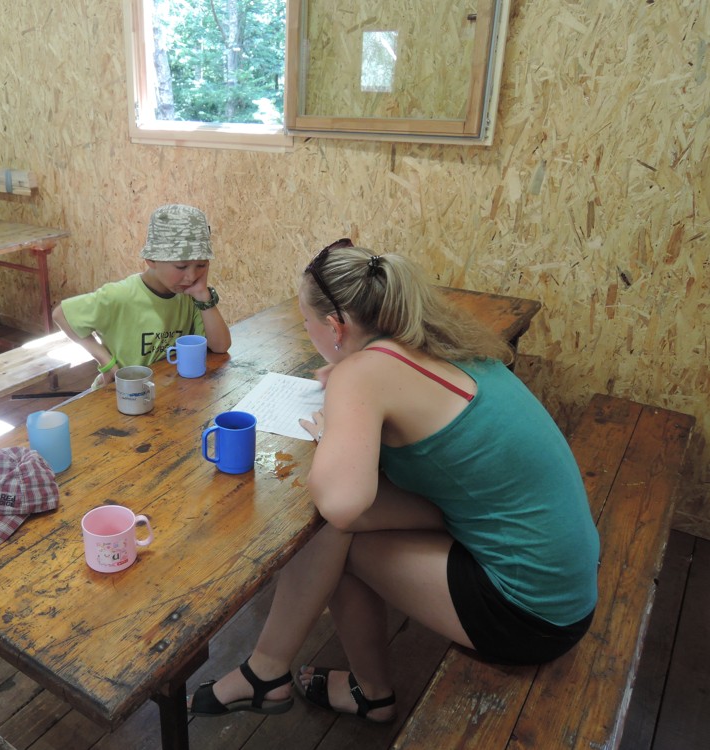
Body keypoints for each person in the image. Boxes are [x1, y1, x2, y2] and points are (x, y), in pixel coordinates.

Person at [188, 239, 599, 721]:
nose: (306, 330)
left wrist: (333, 429)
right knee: (338, 530)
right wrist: (351, 389)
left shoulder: (362, 374)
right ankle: (268, 671)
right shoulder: (431, 340)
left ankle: (355, 690)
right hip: (562, 578)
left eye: (305, 322)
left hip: (532, 611)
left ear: (335, 327)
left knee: (330, 535)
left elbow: (340, 503)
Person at [53, 204, 231, 387]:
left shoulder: (191, 296)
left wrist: (202, 294)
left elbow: (221, 346)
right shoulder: (120, 295)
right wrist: (106, 362)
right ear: (151, 260)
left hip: (166, 391)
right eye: (181, 266)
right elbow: (61, 314)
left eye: (201, 265)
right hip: (119, 393)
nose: (192, 276)